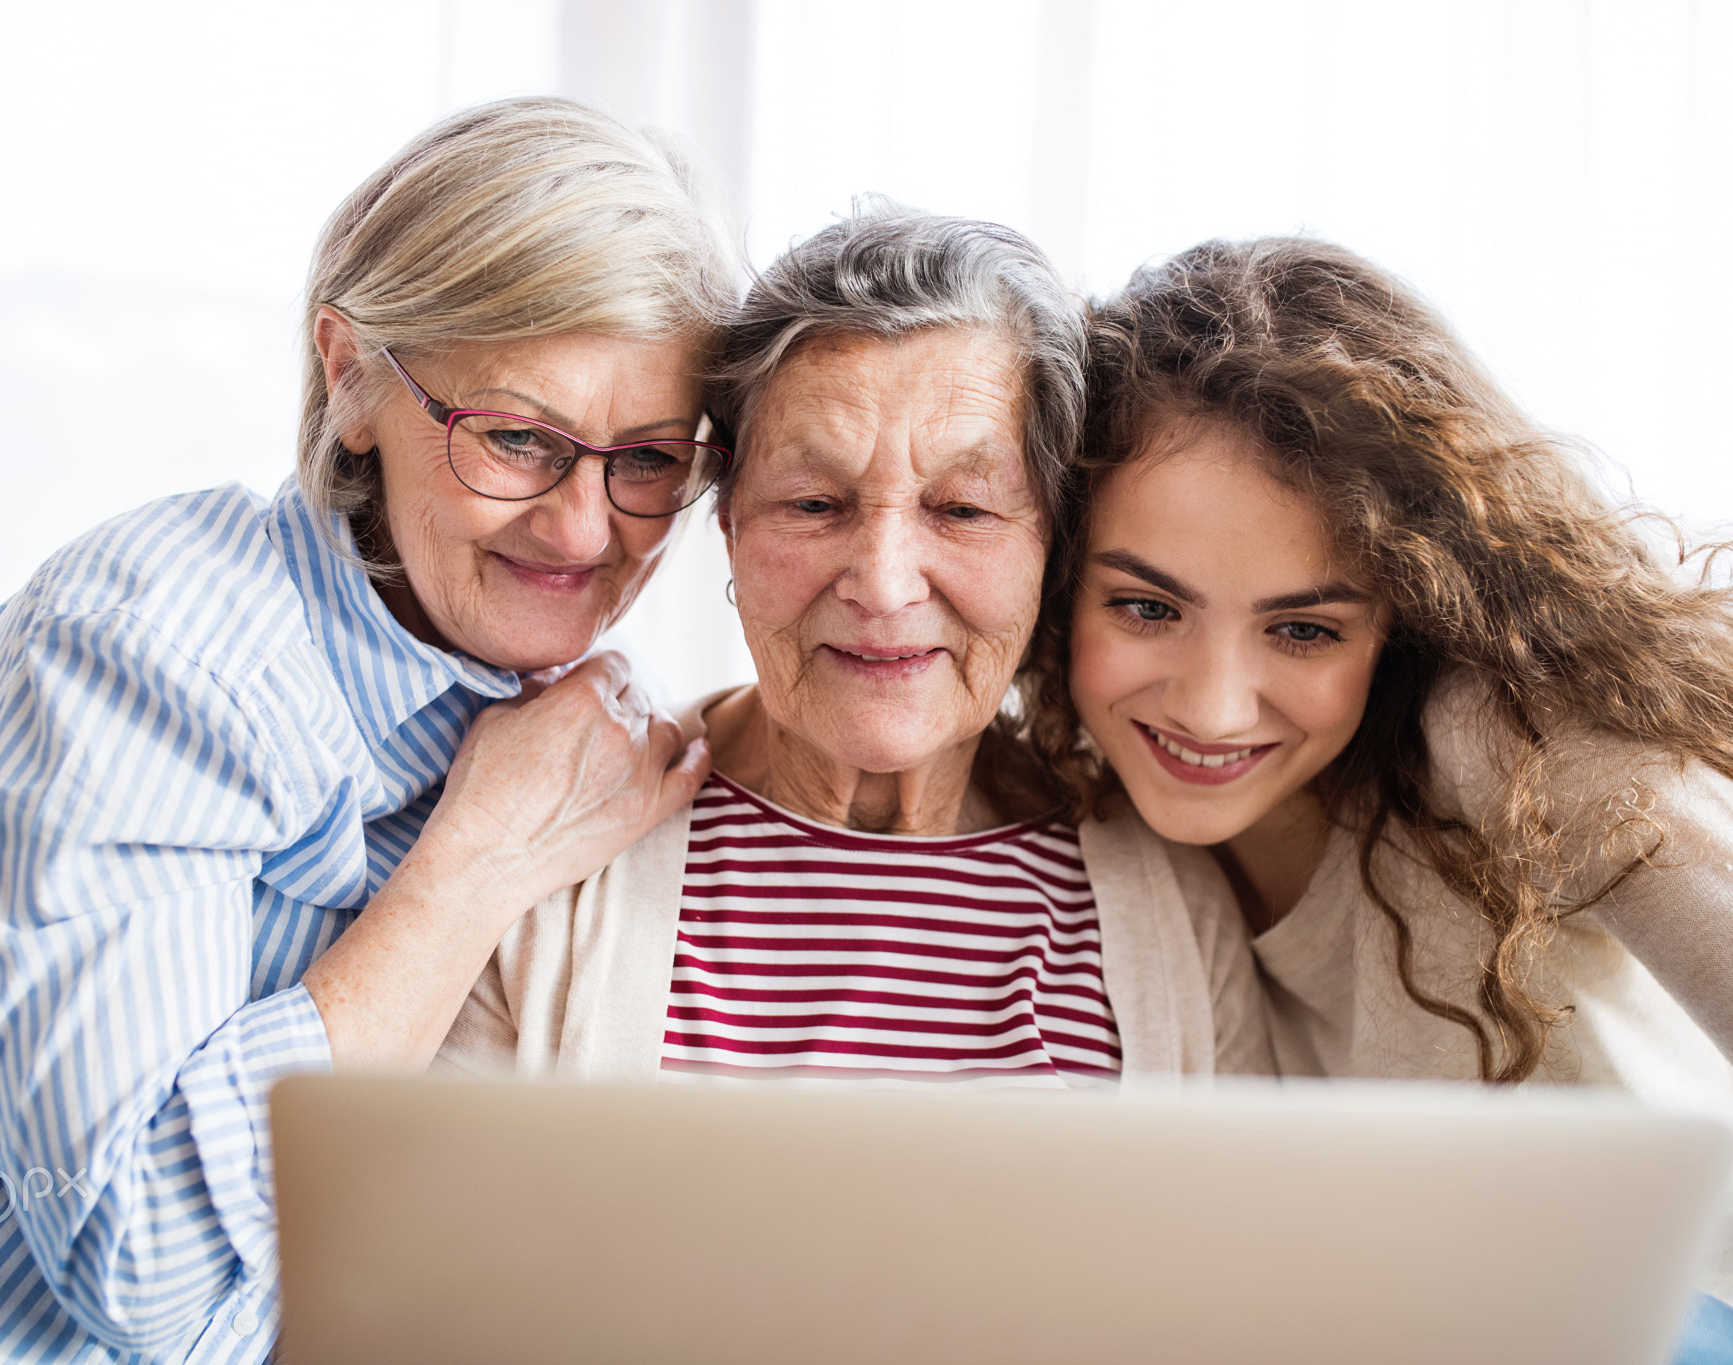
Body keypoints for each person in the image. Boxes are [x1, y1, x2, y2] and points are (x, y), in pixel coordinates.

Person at [0, 98, 733, 1364]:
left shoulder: (565, 726)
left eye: (650, 461)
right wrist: (474, 866)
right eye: (515, 438)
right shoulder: (153, 646)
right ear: (349, 378)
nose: (583, 531)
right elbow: (143, 1261)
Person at [1034, 236, 1733, 1360]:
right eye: (1145, 609)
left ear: (1399, 612)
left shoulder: (1507, 745)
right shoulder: (1086, 821)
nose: (1209, 710)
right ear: (1060, 580)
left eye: (1301, 628)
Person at [440, 204, 1271, 1088]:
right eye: (813, 504)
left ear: (1051, 543)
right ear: (729, 525)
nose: (882, 583)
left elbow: (1236, 1229)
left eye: (962, 510)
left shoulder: (1174, 907)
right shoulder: (557, 847)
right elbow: (445, 1221)